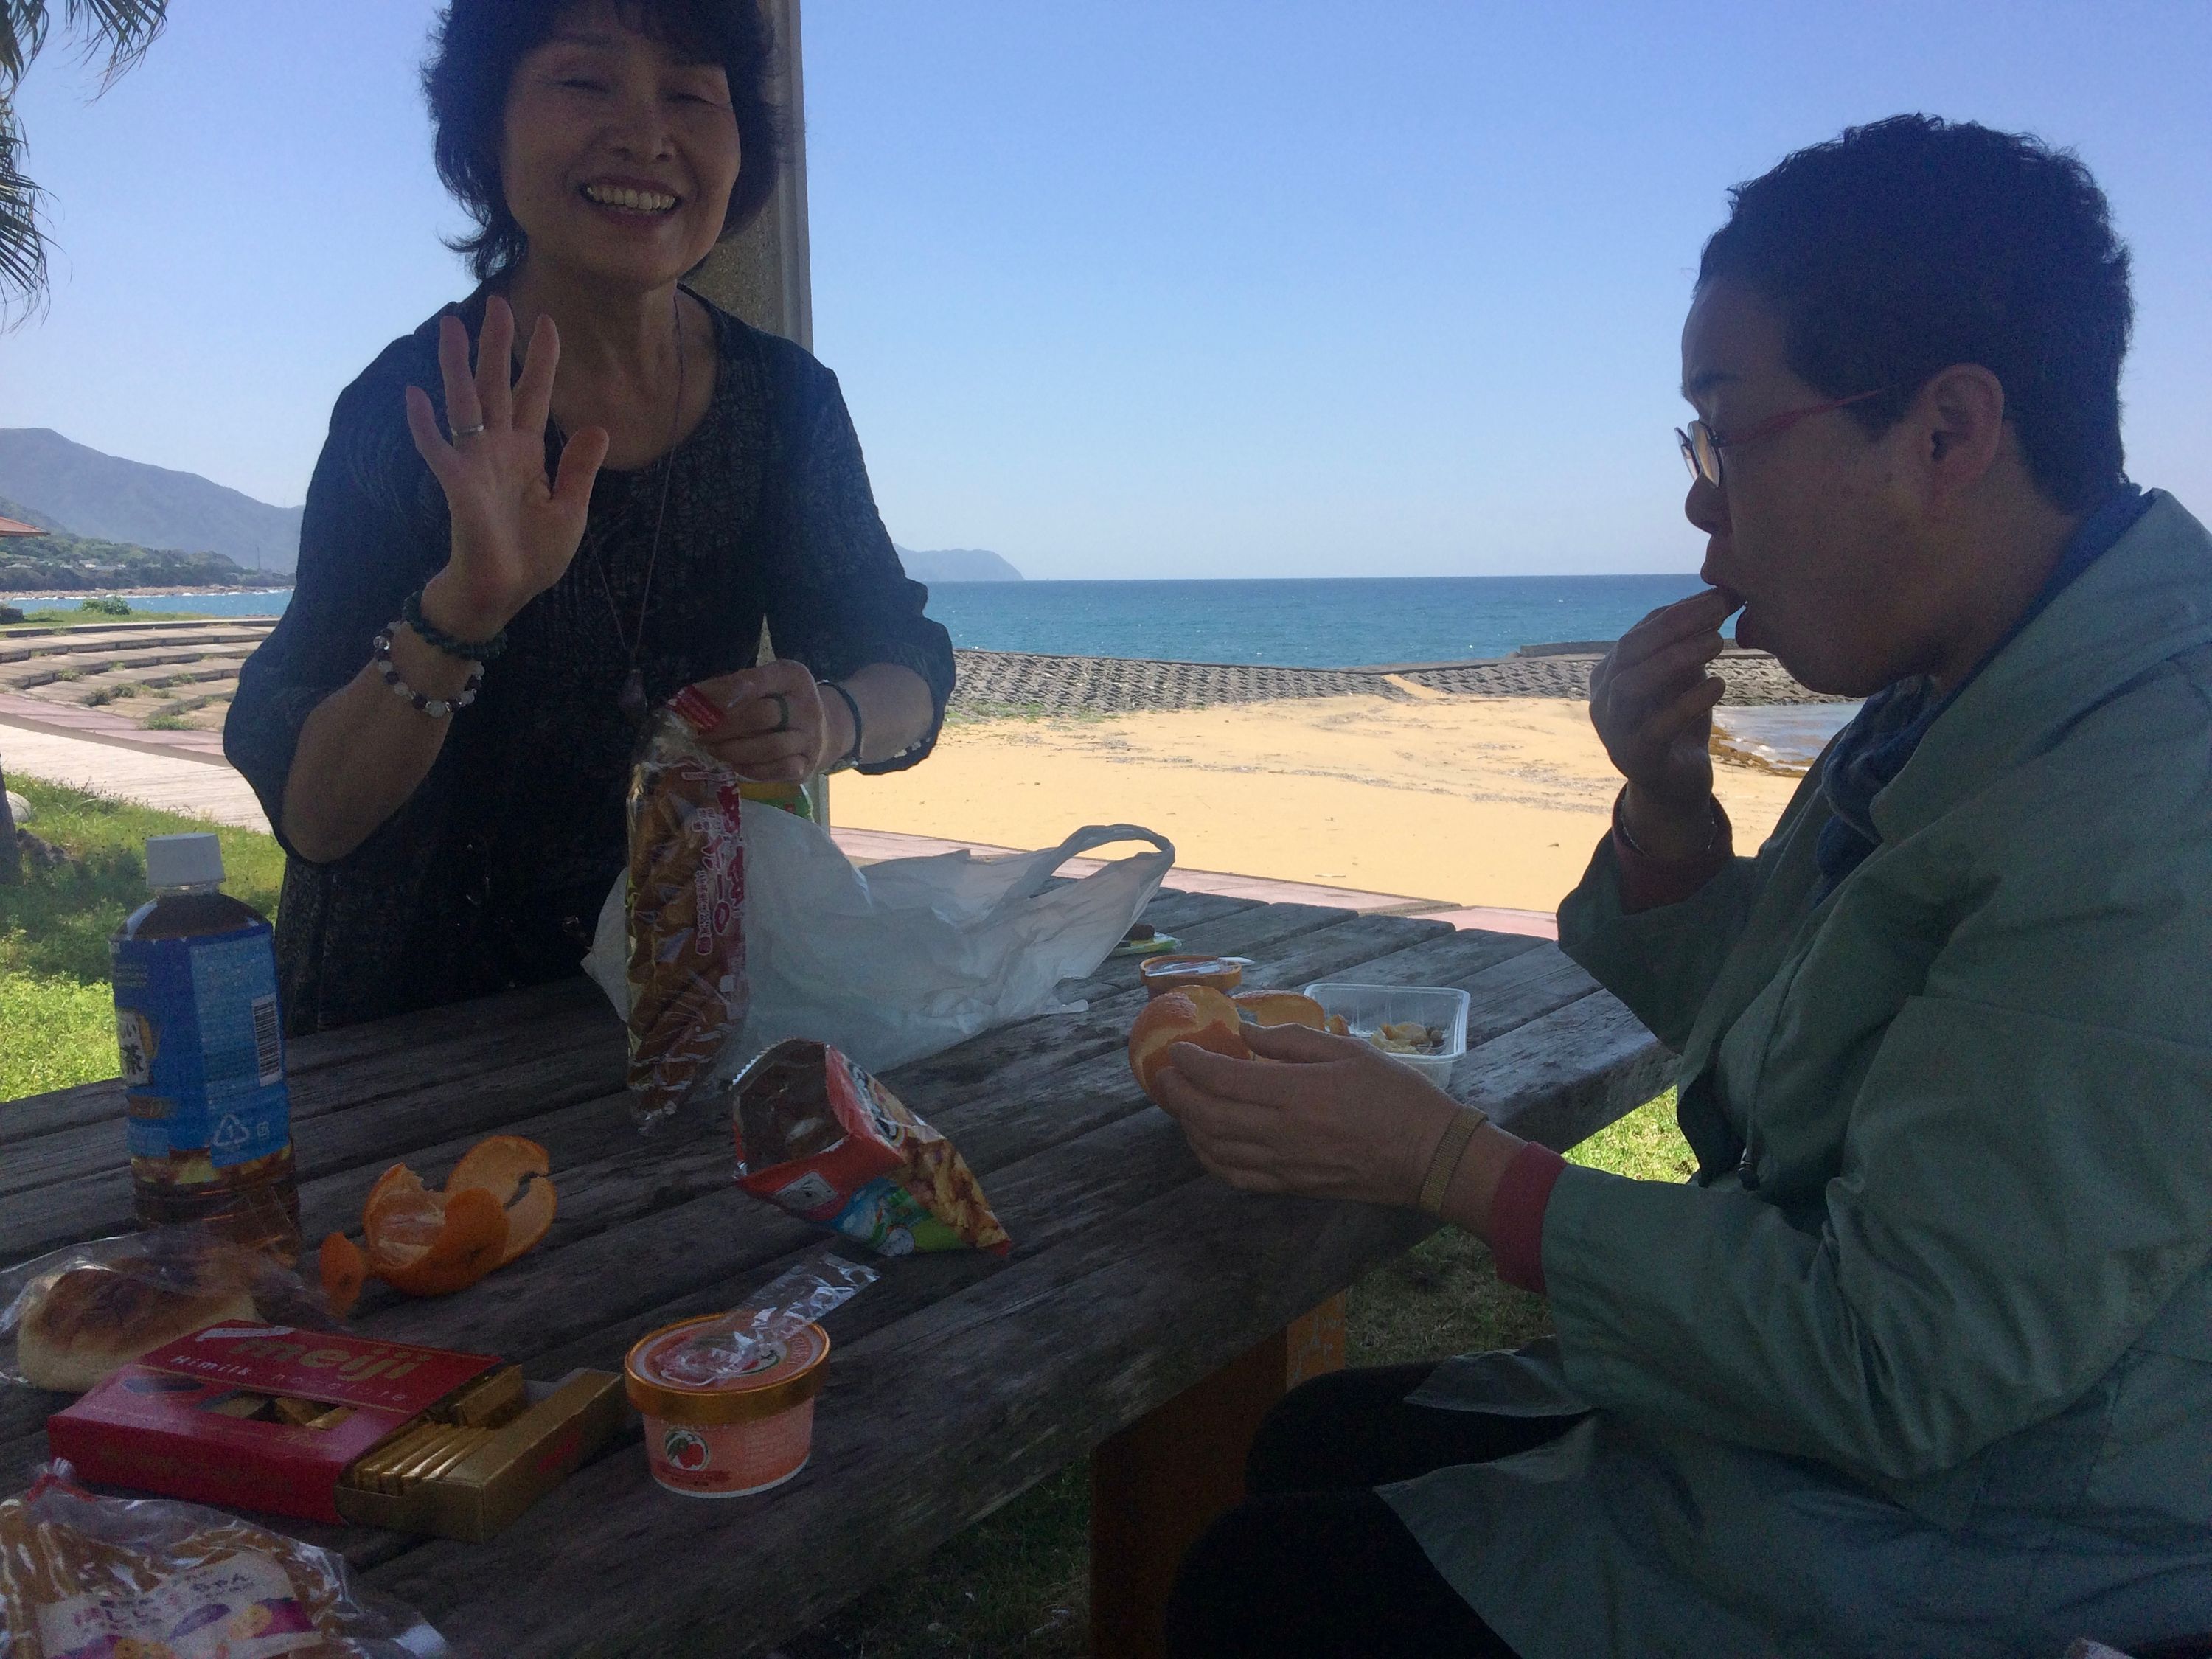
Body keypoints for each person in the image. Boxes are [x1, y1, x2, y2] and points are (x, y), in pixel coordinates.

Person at [1154, 116, 2212, 1658]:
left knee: (1253, 1591)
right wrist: (1667, 815)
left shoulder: (2148, 806)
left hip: (2000, 1536)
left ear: (1947, 433)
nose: (1703, 509)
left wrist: (1457, 1170)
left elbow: (1900, 1363)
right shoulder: (1977, 686)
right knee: (1316, 1445)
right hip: (1867, 1450)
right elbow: (1785, 1029)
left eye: (1725, 434)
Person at [226, 0, 954, 1034]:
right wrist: (460, 612)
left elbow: (908, 665)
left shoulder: (784, 404)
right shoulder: (415, 411)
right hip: (406, 1046)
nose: (647, 135)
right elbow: (316, 814)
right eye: (584, 81)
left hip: (674, 1011)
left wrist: (829, 718)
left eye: (692, 94)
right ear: (490, 129)